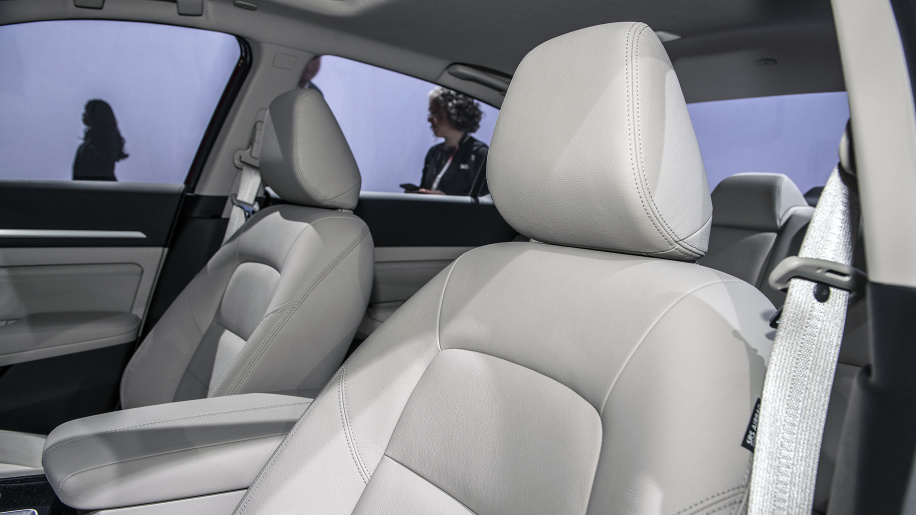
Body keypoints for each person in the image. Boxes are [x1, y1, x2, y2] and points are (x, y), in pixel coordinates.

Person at [415, 87, 488, 196]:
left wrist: (446, 199)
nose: (429, 119)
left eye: (434, 112)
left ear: (454, 113)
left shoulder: (480, 154)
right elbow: (425, 188)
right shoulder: (434, 152)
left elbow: (488, 199)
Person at [72, 99, 128, 181]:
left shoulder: (107, 139)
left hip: (99, 186)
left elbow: (104, 168)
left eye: (87, 111)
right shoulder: (91, 139)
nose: (83, 114)